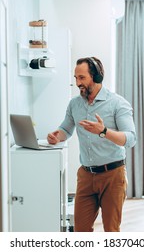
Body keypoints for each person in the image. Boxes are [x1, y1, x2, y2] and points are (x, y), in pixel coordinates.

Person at [47, 57, 136, 232]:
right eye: (76, 78)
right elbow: (66, 128)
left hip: (112, 175)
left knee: (111, 230)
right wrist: (57, 136)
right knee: (81, 230)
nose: (78, 83)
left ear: (96, 77)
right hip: (86, 176)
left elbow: (130, 138)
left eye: (82, 78)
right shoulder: (74, 104)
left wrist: (103, 131)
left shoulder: (117, 103)